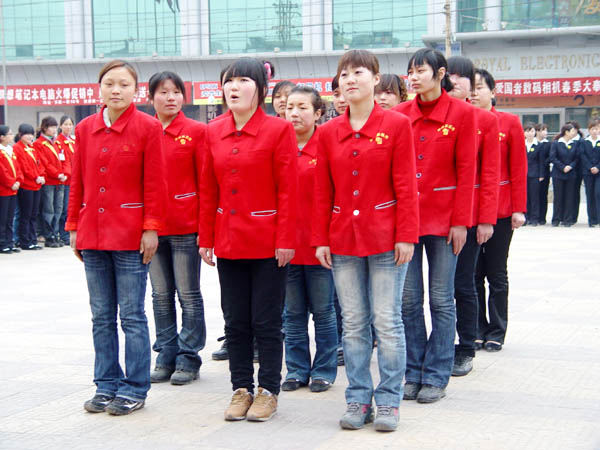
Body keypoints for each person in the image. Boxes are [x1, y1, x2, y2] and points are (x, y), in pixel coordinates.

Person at [313, 49, 419, 431]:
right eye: (344, 74)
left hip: (387, 239)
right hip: (343, 239)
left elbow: (406, 185)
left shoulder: (397, 125)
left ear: (375, 79)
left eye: (358, 72)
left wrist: (407, 235)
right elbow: (322, 191)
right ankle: (358, 398)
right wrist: (321, 238)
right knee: (354, 323)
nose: (350, 79)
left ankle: (389, 401)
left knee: (387, 322)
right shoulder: (327, 132)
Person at [198, 57, 297, 423]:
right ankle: (240, 388)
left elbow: (288, 189)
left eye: (243, 80)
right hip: (229, 240)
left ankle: (268, 390)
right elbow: (208, 189)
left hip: (268, 242)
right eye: (228, 81)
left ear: (260, 88)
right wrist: (206, 237)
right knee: (235, 321)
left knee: (266, 321)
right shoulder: (213, 131)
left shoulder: (278, 130)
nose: (234, 87)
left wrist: (286, 237)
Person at [66, 59, 167, 416]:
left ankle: (134, 387)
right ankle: (106, 384)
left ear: (135, 91)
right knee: (101, 316)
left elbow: (155, 182)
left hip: (130, 236)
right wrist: (73, 227)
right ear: (100, 88)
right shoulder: (85, 128)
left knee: (132, 316)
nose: (116, 90)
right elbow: (77, 180)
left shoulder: (148, 127)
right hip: (92, 233)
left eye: (124, 84)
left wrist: (151, 227)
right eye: (109, 83)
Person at [393, 49, 477, 403]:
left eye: (420, 71)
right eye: (410, 71)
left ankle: (437, 375)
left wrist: (461, 222)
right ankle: (413, 372)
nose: (413, 77)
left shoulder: (462, 114)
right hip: (406, 221)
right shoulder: (399, 115)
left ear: (440, 74)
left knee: (442, 300)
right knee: (409, 301)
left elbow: (467, 171)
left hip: (445, 221)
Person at [146, 71, 207, 385]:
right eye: (163, 92)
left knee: (188, 294)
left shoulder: (196, 131)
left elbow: (205, 182)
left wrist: (205, 230)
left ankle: (188, 357)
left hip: (185, 225)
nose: (170, 98)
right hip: (152, 228)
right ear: (151, 97)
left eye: (176, 92)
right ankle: (165, 354)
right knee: (160, 295)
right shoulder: (144, 131)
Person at [281, 85, 338, 394]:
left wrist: (326, 239)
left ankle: (324, 370)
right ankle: (296, 369)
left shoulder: (327, 145)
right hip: (287, 246)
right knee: (292, 314)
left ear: (318, 113)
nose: (294, 113)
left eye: (302, 107)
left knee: (324, 312)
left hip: (320, 247)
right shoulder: (279, 146)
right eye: (290, 107)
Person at [446, 56, 500, 378]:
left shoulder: (485, 120)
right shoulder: (430, 116)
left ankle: (465, 345)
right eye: (449, 75)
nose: (454, 82)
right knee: (433, 290)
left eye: (462, 77)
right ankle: (438, 344)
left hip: (467, 216)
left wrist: (486, 219)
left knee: (462, 282)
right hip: (433, 215)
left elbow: (490, 172)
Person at [471, 68, 527, 352]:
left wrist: (519, 208)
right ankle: (476, 329)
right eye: (471, 87)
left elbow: (518, 167)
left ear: (493, 92)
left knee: (496, 272)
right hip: (469, 209)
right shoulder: (463, 122)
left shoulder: (509, 122)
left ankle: (496, 331)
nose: (474, 93)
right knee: (472, 275)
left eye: (480, 87)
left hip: (501, 210)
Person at [34, 116, 68, 248]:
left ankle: (55, 233)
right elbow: (45, 163)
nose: (54, 130)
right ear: (44, 128)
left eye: (55, 127)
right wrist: (57, 174)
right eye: (52, 127)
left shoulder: (56, 143)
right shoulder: (39, 143)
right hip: (49, 181)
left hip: (60, 181)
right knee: (49, 209)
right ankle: (48, 235)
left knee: (59, 209)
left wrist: (64, 173)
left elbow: (64, 160)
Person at [13, 124, 44, 250]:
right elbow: (23, 167)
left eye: (32, 134)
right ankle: (25, 241)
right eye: (27, 134)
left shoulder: (31, 148)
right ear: (20, 135)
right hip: (26, 185)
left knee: (33, 214)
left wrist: (41, 175)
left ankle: (32, 239)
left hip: (36, 185)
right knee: (25, 214)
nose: (30, 137)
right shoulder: (17, 148)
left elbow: (39, 164)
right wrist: (36, 176)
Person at [550, 123, 580, 227]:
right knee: (558, 197)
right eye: (572, 131)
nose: (574, 133)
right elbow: (553, 157)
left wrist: (570, 166)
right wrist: (562, 167)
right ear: (566, 132)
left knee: (569, 197)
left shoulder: (574, 143)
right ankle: (556, 219)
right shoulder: (556, 143)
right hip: (558, 174)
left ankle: (567, 219)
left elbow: (577, 158)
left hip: (571, 174)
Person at [0, 126, 22, 254]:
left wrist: (18, 180)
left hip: (13, 189)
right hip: (4, 190)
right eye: (9, 134)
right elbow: (2, 171)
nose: (11, 136)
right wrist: (11, 183)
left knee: (10, 217)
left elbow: (17, 167)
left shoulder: (10, 150)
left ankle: (9, 242)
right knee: (2, 218)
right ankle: (2, 243)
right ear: (2, 137)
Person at [56, 115, 76, 245]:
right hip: (65, 179)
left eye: (70, 124)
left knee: (71, 208)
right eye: (66, 124)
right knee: (63, 208)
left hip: (75, 179)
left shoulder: (74, 141)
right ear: (61, 126)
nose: (68, 127)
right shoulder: (58, 142)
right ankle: (62, 234)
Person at [581, 120, 600, 227]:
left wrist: (597, 167)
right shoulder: (585, 142)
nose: (594, 131)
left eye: (596, 129)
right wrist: (590, 167)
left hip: (599, 172)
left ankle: (598, 218)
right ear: (589, 130)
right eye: (592, 129)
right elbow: (582, 155)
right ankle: (592, 220)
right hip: (588, 172)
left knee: (598, 193)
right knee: (590, 195)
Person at [524, 123, 542, 226]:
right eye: (527, 131)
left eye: (532, 131)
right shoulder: (521, 144)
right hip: (523, 174)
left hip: (535, 174)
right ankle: (525, 217)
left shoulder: (538, 145)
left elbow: (541, 161)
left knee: (534, 197)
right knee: (525, 197)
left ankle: (534, 218)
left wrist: (541, 174)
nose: (530, 133)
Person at [536, 124, 551, 224]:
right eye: (543, 130)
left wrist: (542, 164)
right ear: (537, 131)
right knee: (533, 195)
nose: (545, 132)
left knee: (543, 194)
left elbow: (551, 156)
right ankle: (533, 216)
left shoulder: (548, 144)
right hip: (533, 172)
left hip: (545, 172)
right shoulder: (532, 143)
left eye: (546, 130)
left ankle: (542, 217)